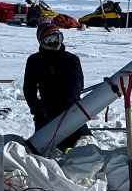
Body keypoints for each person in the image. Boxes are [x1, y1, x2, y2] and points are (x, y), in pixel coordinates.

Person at [23, 21, 88, 152]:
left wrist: (72, 107)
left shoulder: (71, 59)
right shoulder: (35, 61)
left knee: (84, 148)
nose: (55, 42)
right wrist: (37, 108)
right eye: (50, 39)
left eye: (57, 37)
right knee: (42, 150)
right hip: (46, 113)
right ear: (42, 42)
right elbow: (29, 89)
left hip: (71, 112)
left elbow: (78, 85)